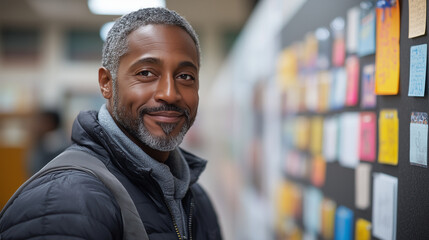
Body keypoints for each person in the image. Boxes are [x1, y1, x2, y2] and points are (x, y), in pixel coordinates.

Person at [0, 7, 222, 240]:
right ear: (106, 83)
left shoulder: (196, 198)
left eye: (185, 76)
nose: (170, 93)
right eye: (146, 73)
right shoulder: (64, 199)